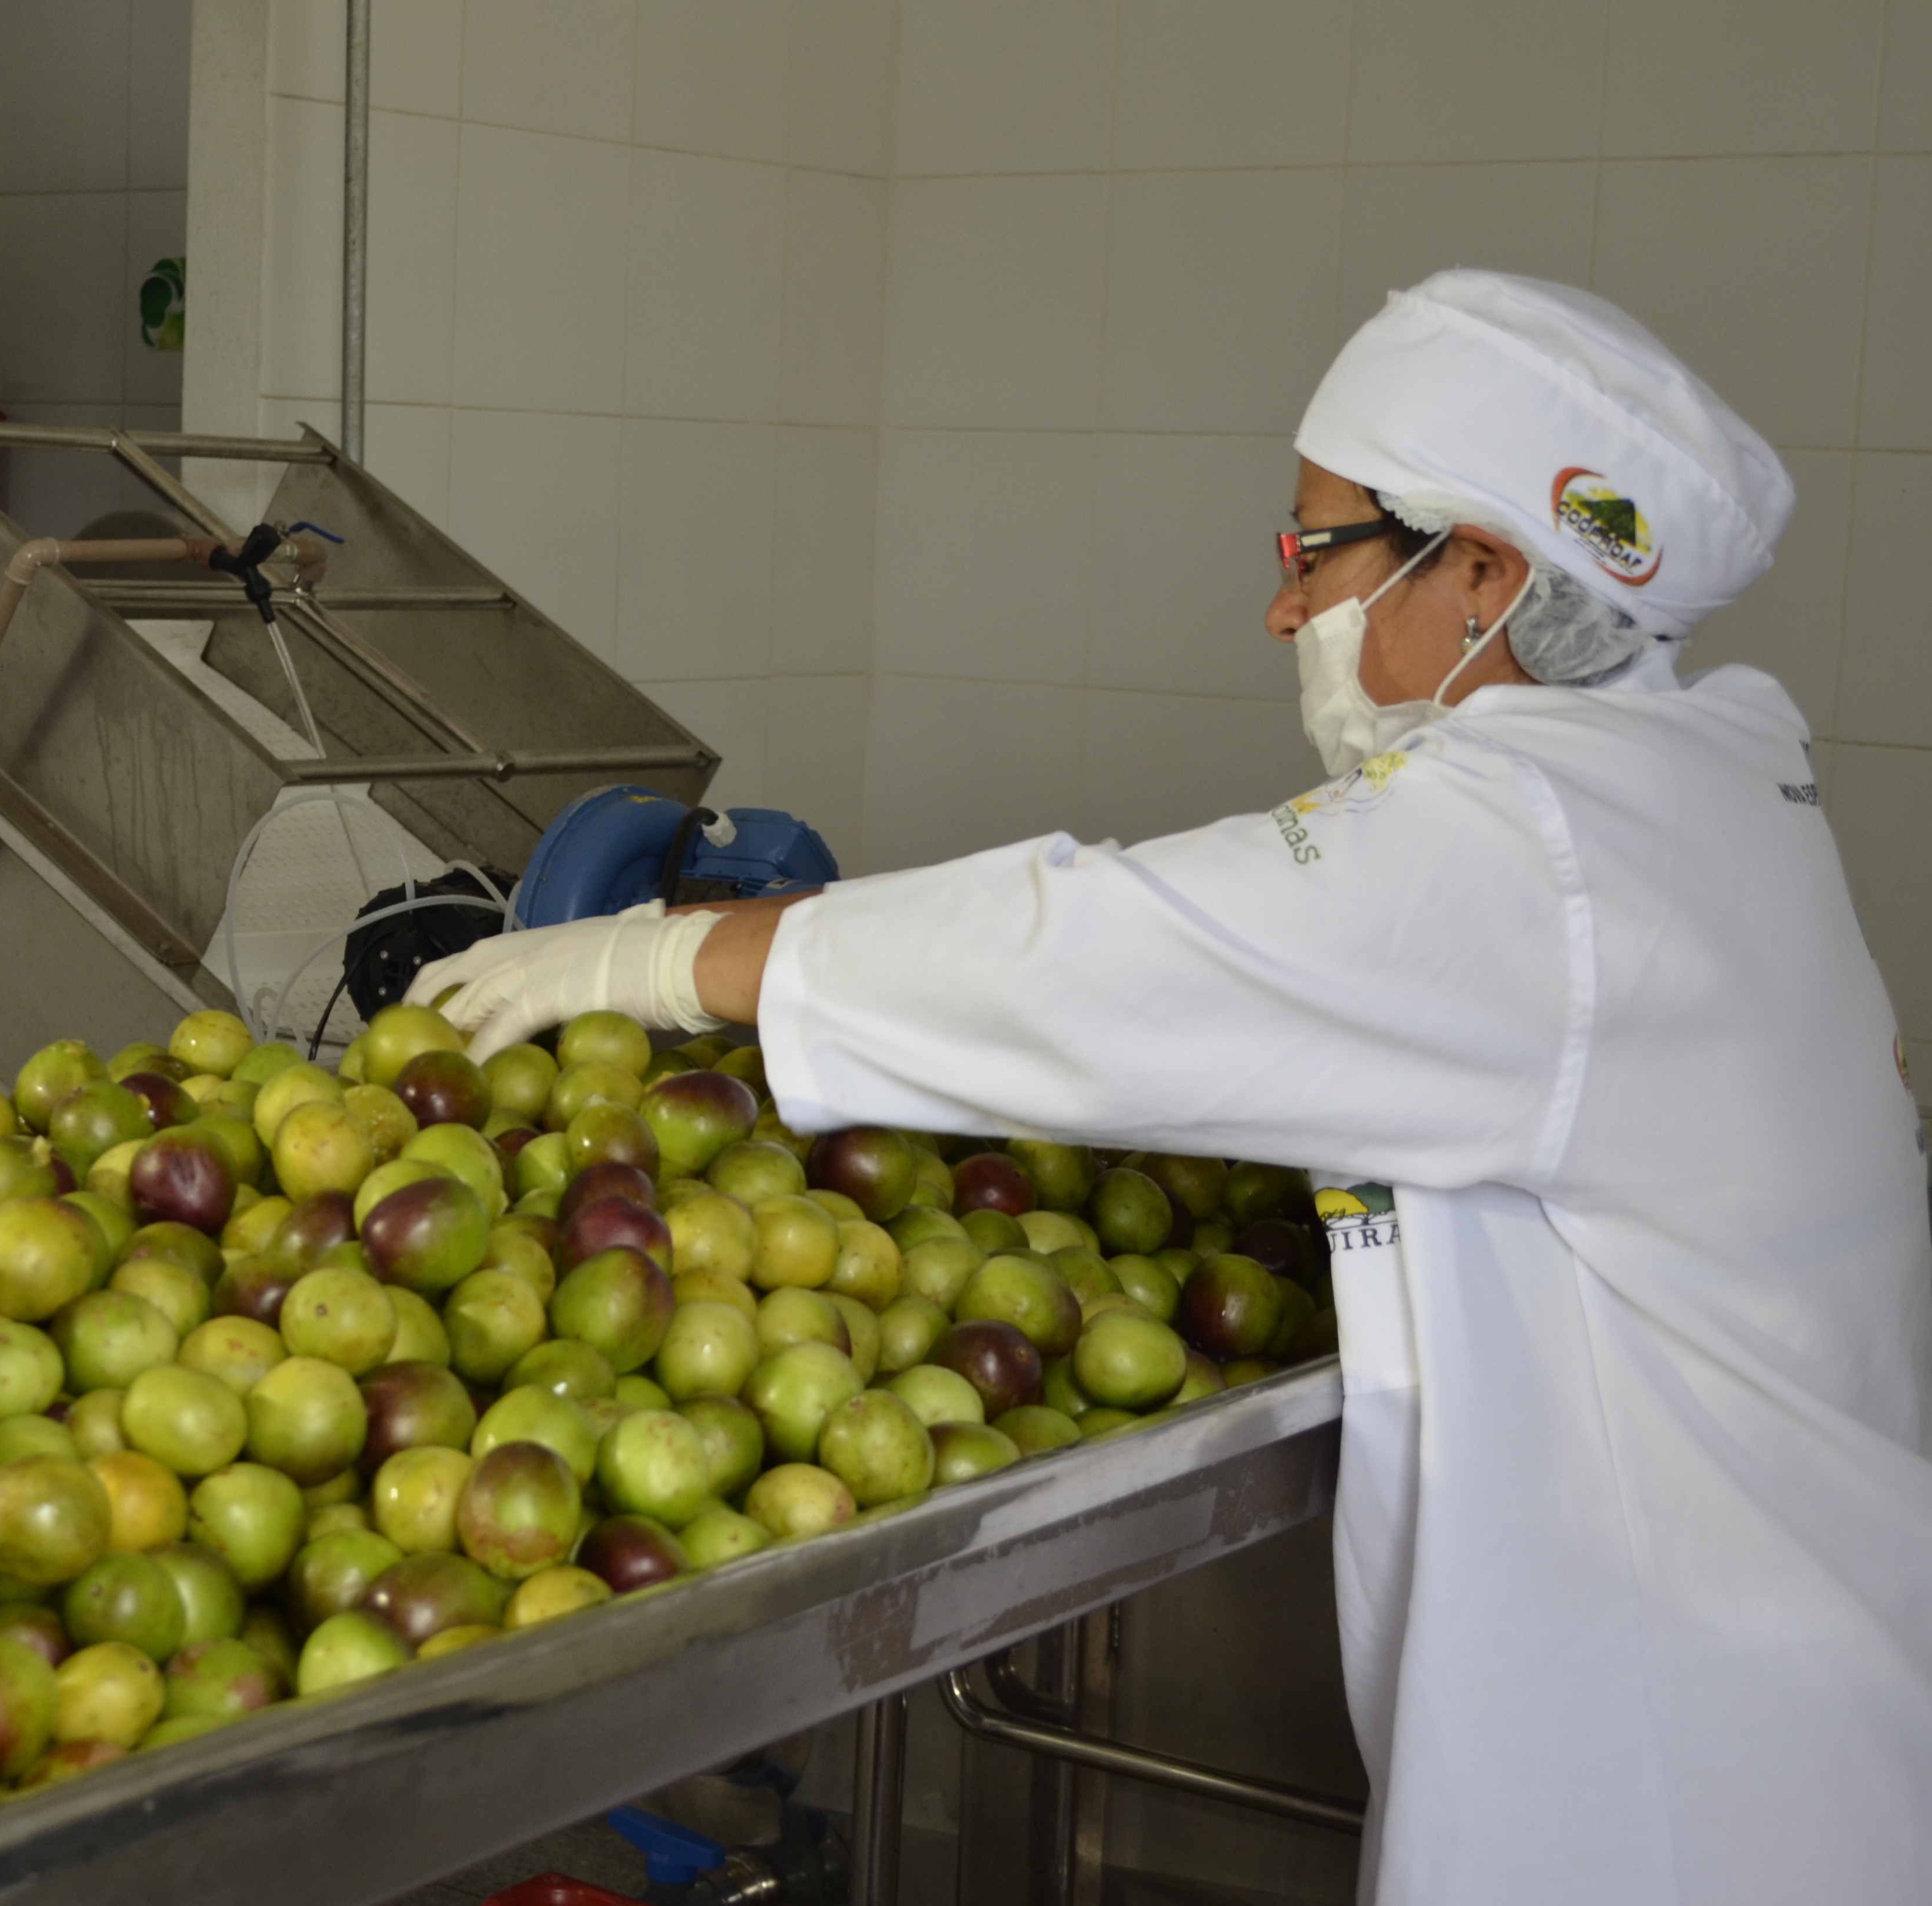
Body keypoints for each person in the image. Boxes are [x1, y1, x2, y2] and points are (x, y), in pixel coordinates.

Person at [412, 272, 1932, 1906]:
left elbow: (1106, 951)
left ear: (1485, 574)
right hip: (1775, 1690)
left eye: (1317, 551)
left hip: (1685, 1783)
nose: (1286, 609)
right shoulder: (1700, 783)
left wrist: (650, 962)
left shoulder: (1543, 857)